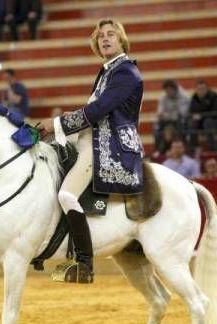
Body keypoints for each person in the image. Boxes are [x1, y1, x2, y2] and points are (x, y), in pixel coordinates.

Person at [37, 19, 144, 283]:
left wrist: (57, 123)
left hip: (109, 146)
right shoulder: (108, 71)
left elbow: (98, 111)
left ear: (122, 40)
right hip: (92, 138)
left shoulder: (126, 72)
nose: (105, 39)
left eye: (111, 35)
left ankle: (84, 262)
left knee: (66, 194)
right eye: (100, 36)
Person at [188, 80, 217, 151]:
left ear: (207, 89)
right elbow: (191, 112)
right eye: (199, 89)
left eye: (203, 89)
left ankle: (212, 148)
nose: (201, 91)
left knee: (208, 121)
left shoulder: (214, 96)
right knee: (193, 123)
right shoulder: (194, 98)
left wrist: (201, 116)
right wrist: (197, 117)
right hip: (202, 123)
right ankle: (193, 148)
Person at [155, 79, 189, 148]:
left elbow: (182, 113)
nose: (168, 92)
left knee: (180, 125)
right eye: (166, 91)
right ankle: (159, 150)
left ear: (175, 89)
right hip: (167, 121)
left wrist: (168, 114)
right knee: (157, 127)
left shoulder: (184, 96)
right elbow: (159, 112)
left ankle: (181, 148)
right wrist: (161, 114)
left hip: (180, 121)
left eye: (170, 90)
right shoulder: (163, 97)